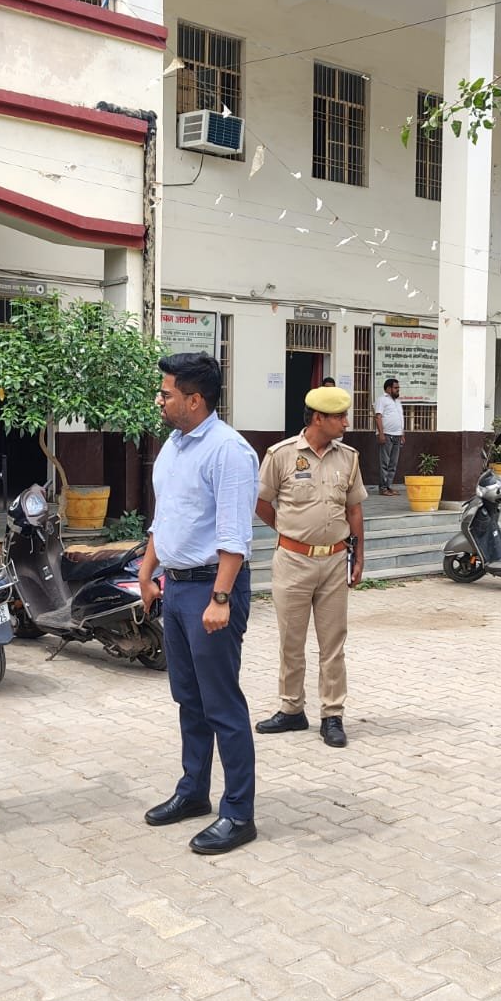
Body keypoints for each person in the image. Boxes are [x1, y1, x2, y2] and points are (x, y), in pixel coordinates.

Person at [137, 352, 260, 855]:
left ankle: (239, 813)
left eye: (166, 393)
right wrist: (147, 571)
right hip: (177, 586)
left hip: (214, 588)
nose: (159, 400)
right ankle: (193, 792)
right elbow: (166, 516)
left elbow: (235, 534)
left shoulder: (229, 451)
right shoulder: (174, 444)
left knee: (221, 704)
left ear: (194, 399)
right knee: (188, 699)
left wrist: (222, 598)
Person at [254, 386, 367, 748]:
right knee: (291, 640)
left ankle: (332, 715)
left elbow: (354, 509)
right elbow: (262, 502)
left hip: (335, 560)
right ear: (319, 418)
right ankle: (291, 710)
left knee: (333, 642)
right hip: (292, 562)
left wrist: (358, 555)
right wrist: (290, 532)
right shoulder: (281, 455)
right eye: (340, 417)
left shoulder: (348, 457)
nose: (346, 423)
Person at [374, 377, 404, 495]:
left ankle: (389, 486)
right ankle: (383, 488)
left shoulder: (397, 401)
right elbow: (378, 416)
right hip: (386, 435)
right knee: (385, 463)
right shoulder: (382, 399)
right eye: (395, 388)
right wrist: (381, 434)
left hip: (397, 435)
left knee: (393, 463)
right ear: (388, 388)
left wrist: (402, 434)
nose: (398, 390)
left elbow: (401, 418)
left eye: (398, 388)